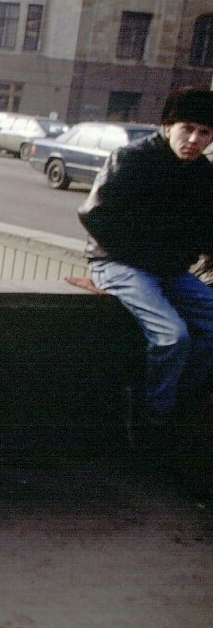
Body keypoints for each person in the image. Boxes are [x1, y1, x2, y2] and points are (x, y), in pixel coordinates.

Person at [79, 87, 213, 448]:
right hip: (117, 262)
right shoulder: (132, 158)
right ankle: (151, 420)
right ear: (168, 125)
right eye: (187, 128)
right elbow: (95, 215)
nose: (194, 140)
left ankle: (173, 400)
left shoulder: (203, 173)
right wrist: (150, 253)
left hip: (167, 270)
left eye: (205, 132)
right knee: (173, 335)